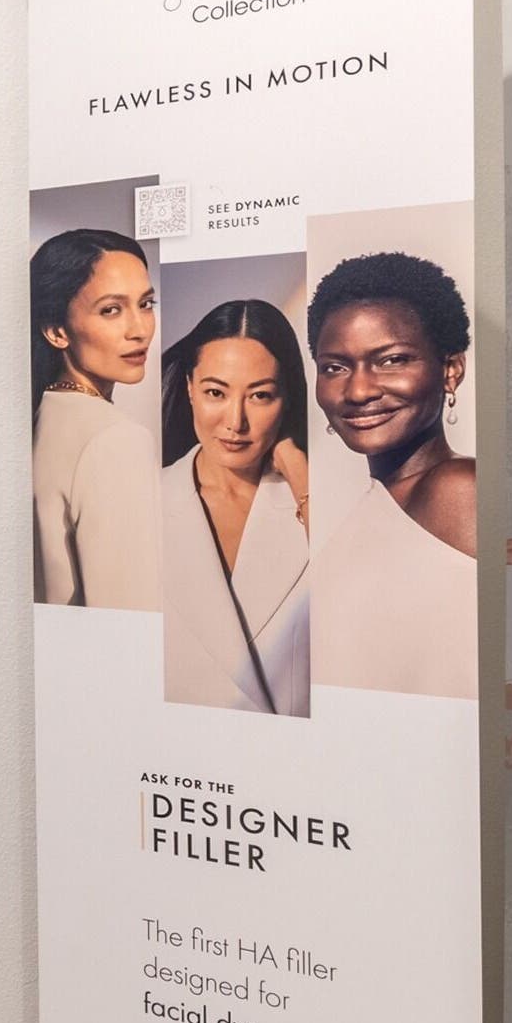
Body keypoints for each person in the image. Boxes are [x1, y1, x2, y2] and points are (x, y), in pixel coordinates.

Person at [310, 248, 476, 700]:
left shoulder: (459, 491)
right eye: (335, 367)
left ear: (450, 369)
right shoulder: (381, 499)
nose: (359, 390)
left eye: (392, 360)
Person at [159, 298, 310, 714]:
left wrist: (298, 470)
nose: (235, 421)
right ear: (190, 387)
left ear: (286, 400)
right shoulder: (137, 503)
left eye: (260, 395)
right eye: (215, 392)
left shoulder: (313, 503)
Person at [30, 228, 159, 610]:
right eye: (111, 310)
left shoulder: (41, 418)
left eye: (146, 304)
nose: (139, 330)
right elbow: (128, 616)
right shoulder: (116, 440)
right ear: (56, 331)